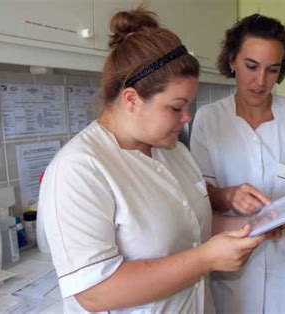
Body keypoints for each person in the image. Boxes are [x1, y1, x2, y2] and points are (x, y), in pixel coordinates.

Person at [38, 7, 267, 313]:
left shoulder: (174, 152)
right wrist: (207, 259)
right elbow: (93, 292)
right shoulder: (80, 169)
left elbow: (192, 226)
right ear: (131, 99)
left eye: (189, 105)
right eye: (176, 107)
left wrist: (253, 225)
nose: (186, 118)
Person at [190, 14, 285, 313]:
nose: (260, 81)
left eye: (272, 70)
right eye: (251, 66)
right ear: (232, 60)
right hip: (234, 278)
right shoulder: (209, 119)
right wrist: (227, 195)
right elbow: (197, 197)